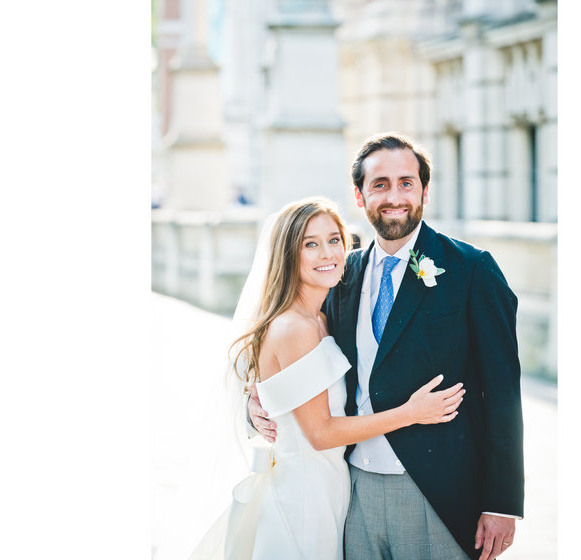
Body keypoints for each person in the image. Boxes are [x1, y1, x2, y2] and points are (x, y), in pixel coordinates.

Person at [249, 132, 524, 560]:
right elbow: (290, 350)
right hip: (351, 493)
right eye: (380, 184)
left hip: (437, 494)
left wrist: (501, 502)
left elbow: (503, 391)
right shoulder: (342, 275)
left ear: (424, 191)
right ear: (359, 197)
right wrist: (259, 399)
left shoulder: (472, 269)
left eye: (405, 183)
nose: (394, 196)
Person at [191, 197, 466, 560]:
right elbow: (320, 434)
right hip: (303, 496)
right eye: (310, 244)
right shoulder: (294, 328)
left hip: (331, 488)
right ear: (289, 254)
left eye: (334, 240)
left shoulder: (321, 318)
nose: (328, 254)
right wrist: (411, 412)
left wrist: (255, 402)